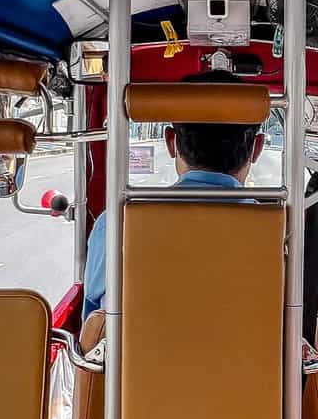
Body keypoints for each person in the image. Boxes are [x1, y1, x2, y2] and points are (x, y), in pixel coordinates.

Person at [81, 70, 266, 320]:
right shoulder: (282, 232)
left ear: (170, 142)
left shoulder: (116, 224)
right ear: (257, 148)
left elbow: (93, 318)